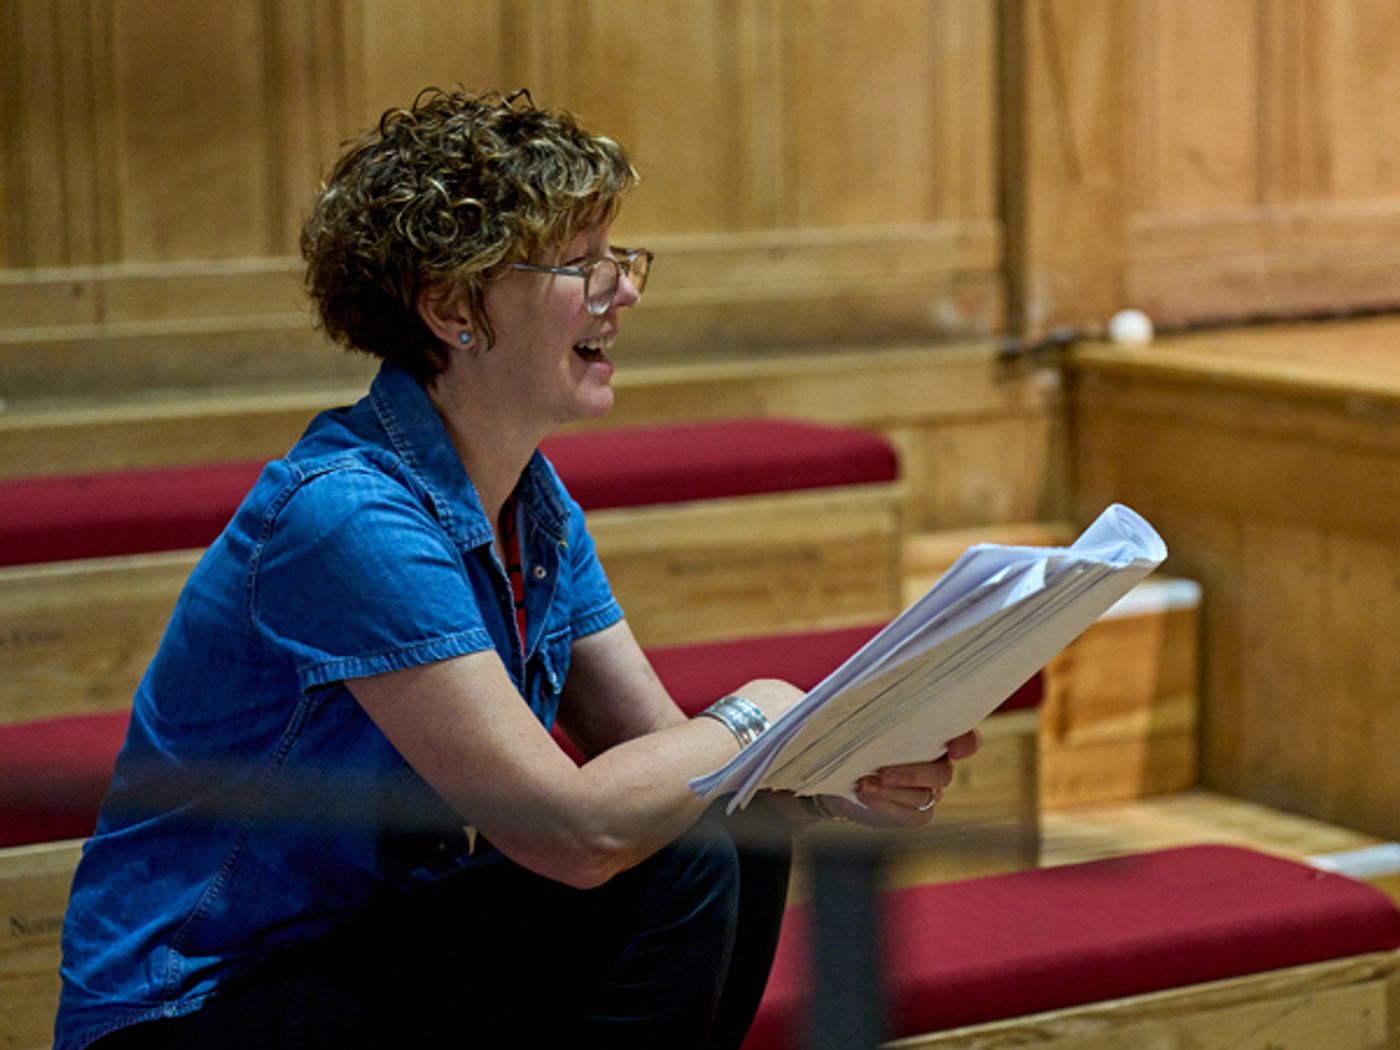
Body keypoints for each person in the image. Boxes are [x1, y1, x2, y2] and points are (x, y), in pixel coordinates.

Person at [55, 88, 981, 1050]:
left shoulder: (530, 505)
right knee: (681, 857)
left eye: (618, 262)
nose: (624, 293)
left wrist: (838, 777)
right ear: (453, 306)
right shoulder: (346, 516)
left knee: (727, 837)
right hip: (190, 1013)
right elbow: (569, 835)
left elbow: (681, 763)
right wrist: (760, 713)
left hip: (354, 965)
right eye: (581, 266)